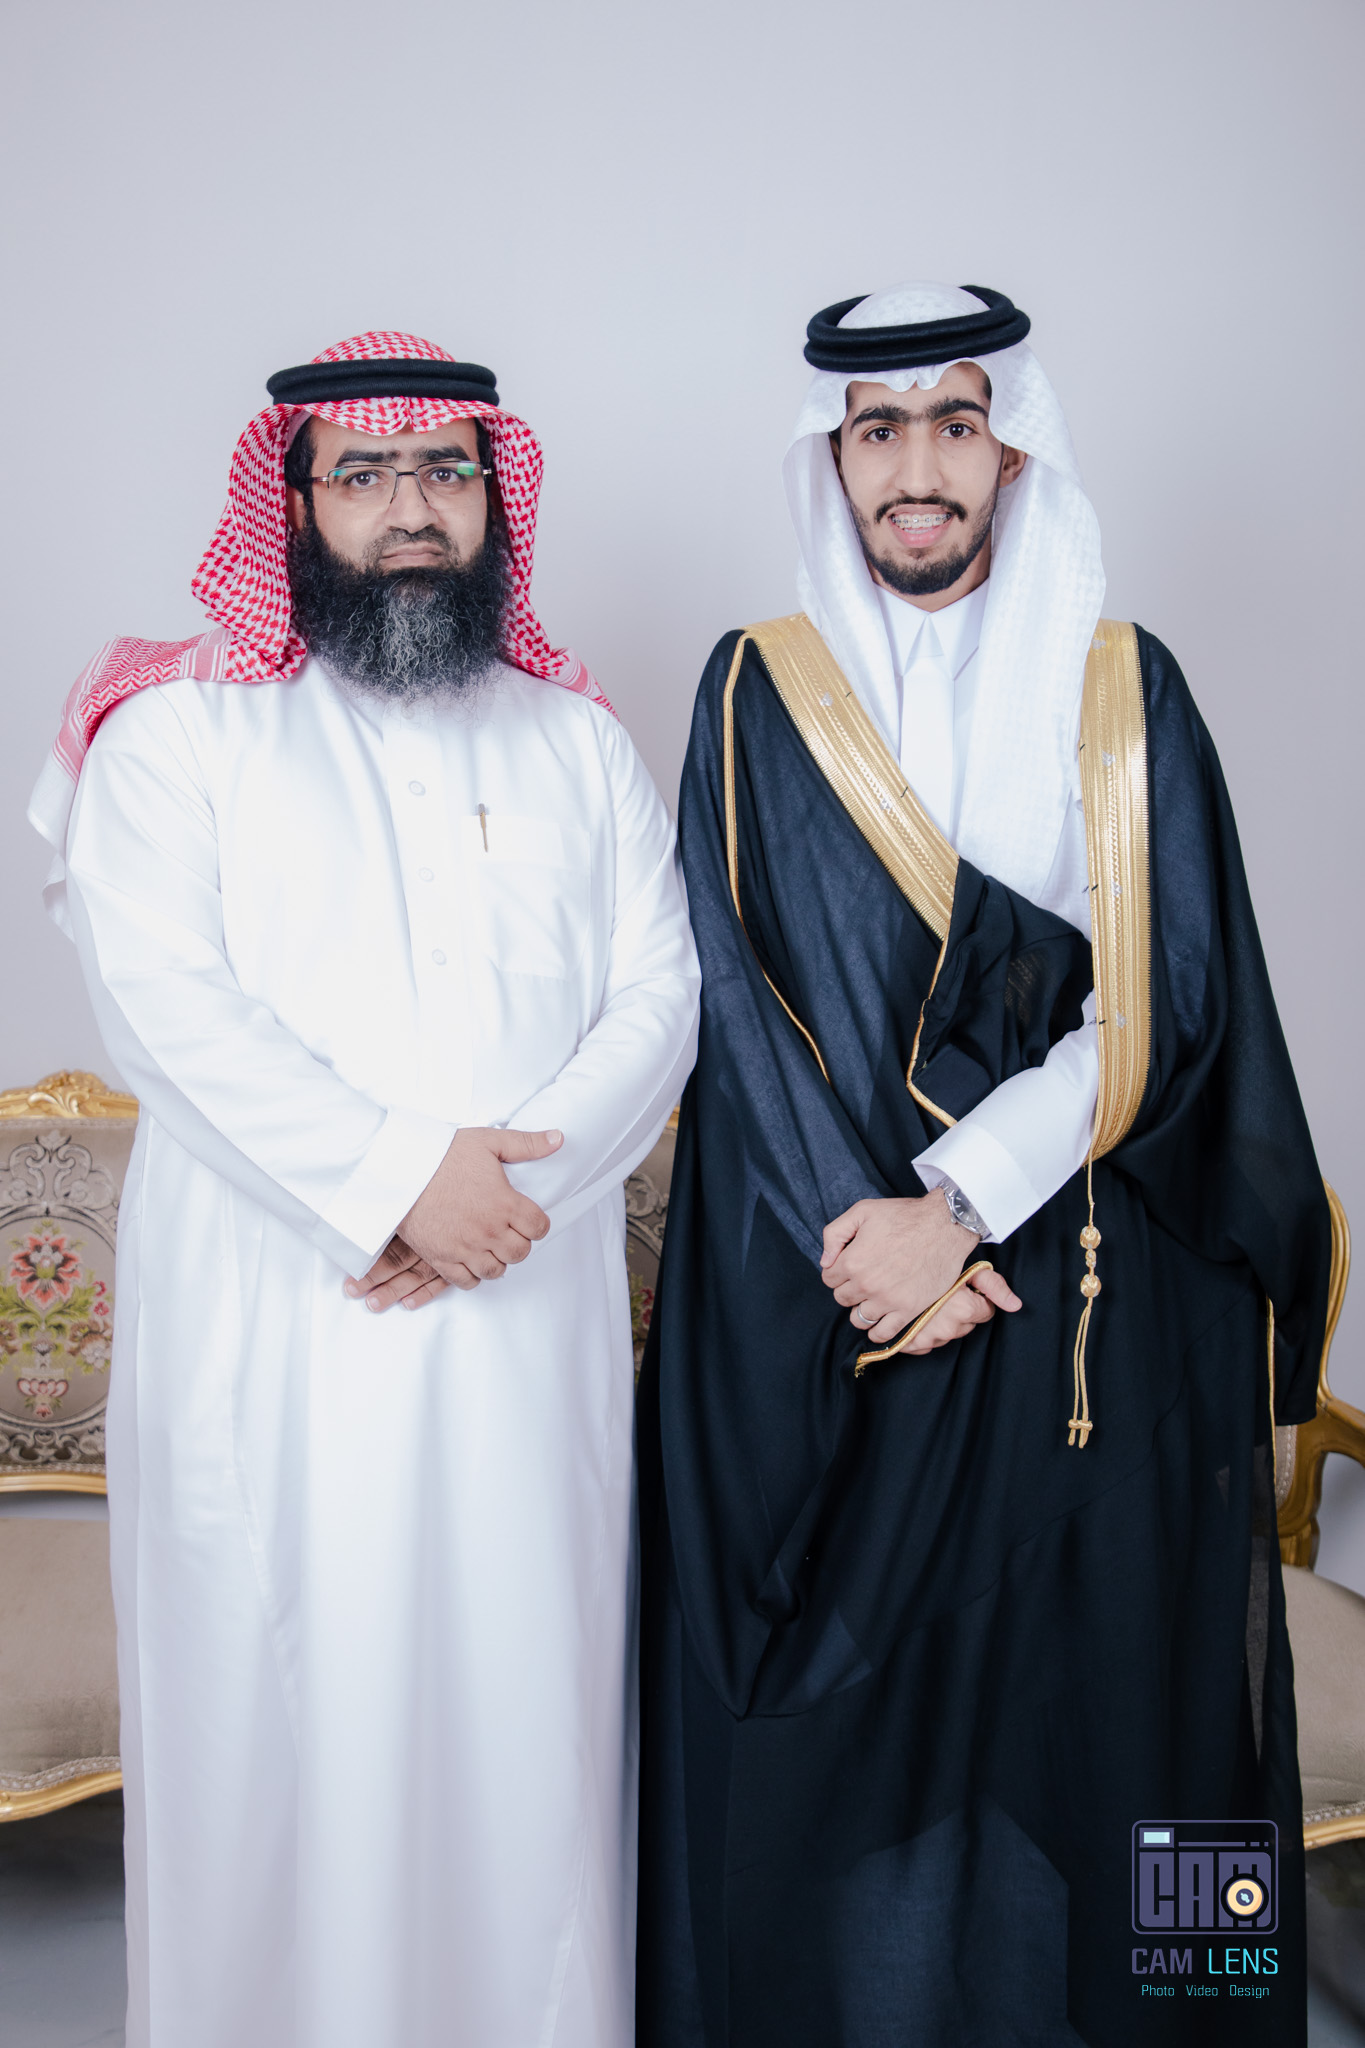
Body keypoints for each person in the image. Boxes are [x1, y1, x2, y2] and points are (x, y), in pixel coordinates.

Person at [636, 284, 1330, 2046]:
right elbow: (729, 989)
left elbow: (1167, 996)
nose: (916, 469)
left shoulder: (1124, 687)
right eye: (877, 431)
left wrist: (950, 1208)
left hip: (1088, 1310)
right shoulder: (755, 689)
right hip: (851, 1312)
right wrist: (869, 1244)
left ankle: (1185, 2023)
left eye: (955, 424)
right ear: (834, 460)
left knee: (1150, 1719)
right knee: (840, 1748)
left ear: (1010, 452)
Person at [29, 330, 700, 2048]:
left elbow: (659, 997)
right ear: (293, 503)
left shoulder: (577, 741)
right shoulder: (177, 733)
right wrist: (402, 1183)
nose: (412, 509)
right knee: (275, 1719)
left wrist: (508, 1199)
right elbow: (164, 1008)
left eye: (445, 472)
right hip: (278, 1318)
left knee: (522, 1715)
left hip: (520, 1308)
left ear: (493, 494)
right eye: (367, 474)